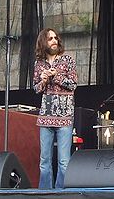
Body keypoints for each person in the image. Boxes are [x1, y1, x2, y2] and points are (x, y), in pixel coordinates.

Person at [33, 28, 77, 189]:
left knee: (64, 161)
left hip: (65, 116)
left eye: (55, 38)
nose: (54, 41)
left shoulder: (67, 60)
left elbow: (73, 85)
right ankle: (44, 193)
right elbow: (36, 89)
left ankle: (60, 192)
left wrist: (56, 76)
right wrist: (44, 80)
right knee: (44, 161)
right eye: (50, 38)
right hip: (45, 116)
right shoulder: (39, 64)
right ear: (43, 42)